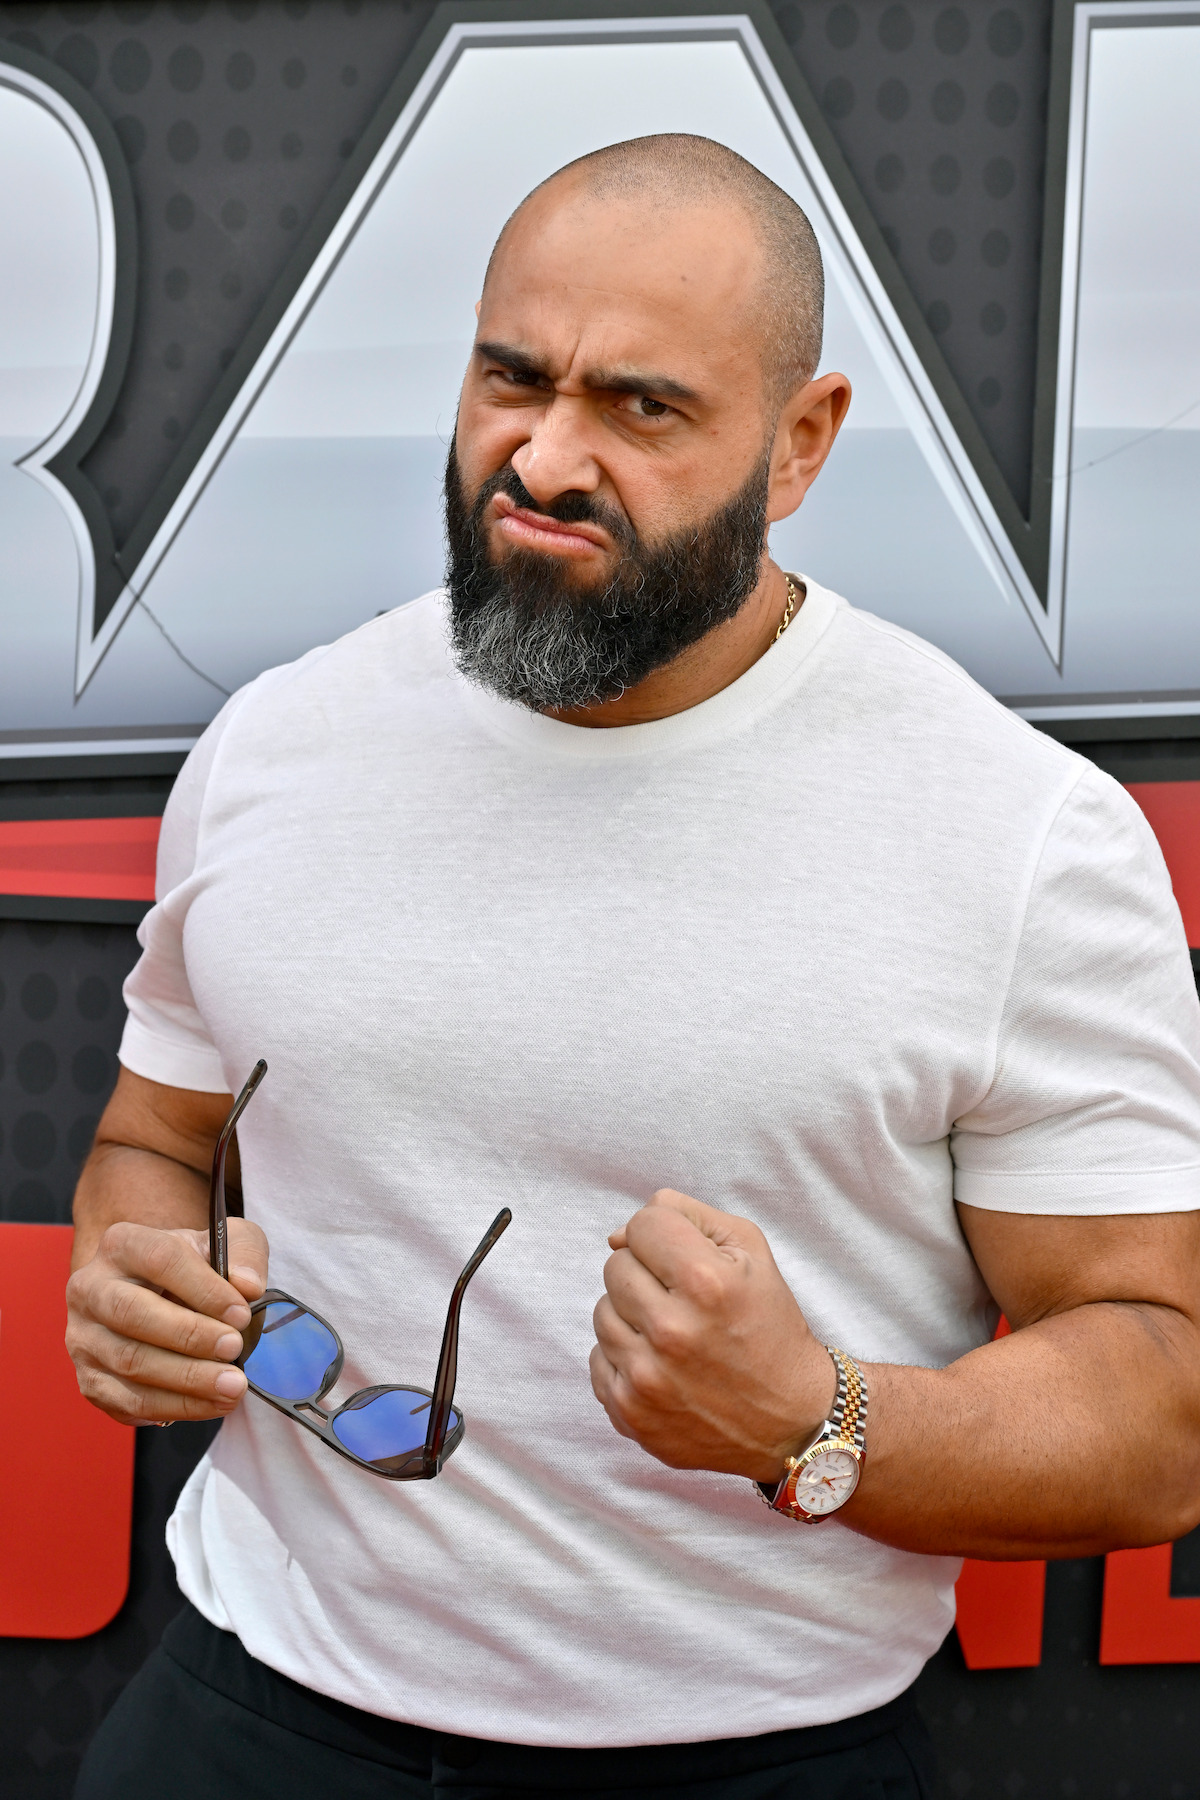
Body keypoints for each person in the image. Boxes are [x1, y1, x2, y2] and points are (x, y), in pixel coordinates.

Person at [68, 134, 1200, 1800]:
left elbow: (1156, 1406)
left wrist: (819, 1420)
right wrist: (134, 1278)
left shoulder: (1020, 835)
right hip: (248, 1715)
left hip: (751, 1762)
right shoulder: (273, 747)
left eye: (643, 408)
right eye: (510, 378)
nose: (544, 457)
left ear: (801, 442)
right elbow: (152, 1146)